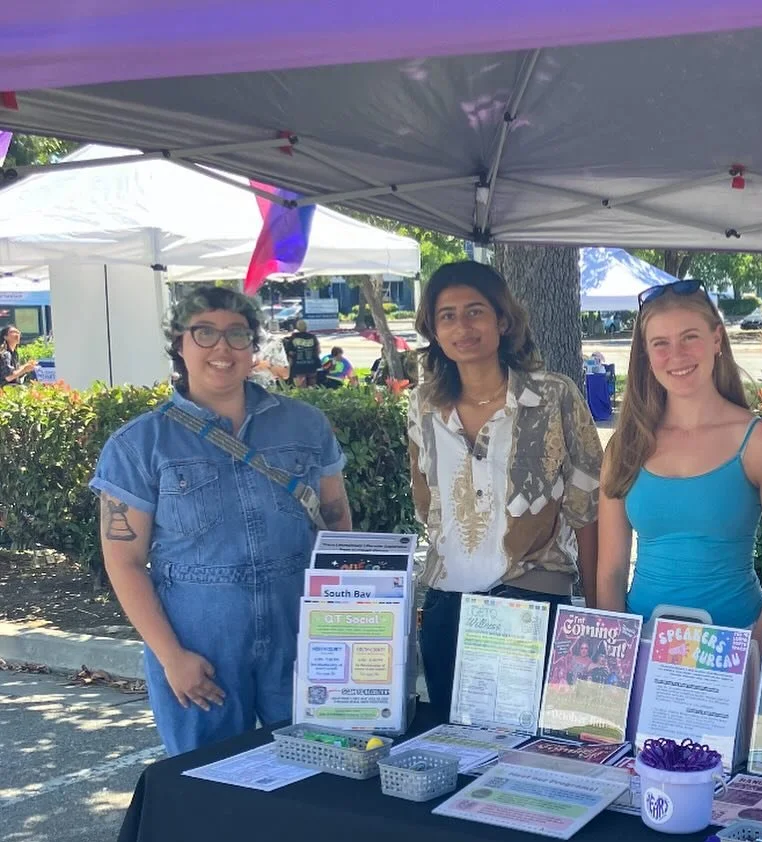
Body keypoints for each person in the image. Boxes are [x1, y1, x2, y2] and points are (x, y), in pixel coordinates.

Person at [90, 286, 353, 756]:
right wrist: (172, 657)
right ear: (179, 342)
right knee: (209, 786)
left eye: (237, 335)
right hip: (199, 638)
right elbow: (124, 563)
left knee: (317, 771)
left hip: (298, 627)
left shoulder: (306, 425)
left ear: (254, 345)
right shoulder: (138, 445)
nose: (222, 349)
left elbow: (337, 526)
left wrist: (346, 625)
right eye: (204, 333)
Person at [407, 260, 603, 721]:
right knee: (455, 746)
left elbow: (589, 507)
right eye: (447, 315)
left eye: (475, 311)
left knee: (528, 748)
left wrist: (597, 612)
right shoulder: (422, 406)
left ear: (503, 319)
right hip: (445, 603)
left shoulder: (553, 396)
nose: (462, 326)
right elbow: (426, 503)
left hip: (530, 596)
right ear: (433, 329)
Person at [596, 279, 762, 641]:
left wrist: (755, 649)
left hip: (735, 644)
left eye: (689, 337)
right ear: (645, 353)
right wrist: (616, 654)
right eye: (660, 343)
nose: (676, 354)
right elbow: (610, 570)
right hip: (643, 645)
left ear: (717, 339)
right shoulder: (625, 447)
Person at [284, 317, 321, 386]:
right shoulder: (312, 337)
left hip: (298, 365)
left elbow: (290, 352)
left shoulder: (294, 337)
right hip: (312, 365)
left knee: (301, 386)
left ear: (297, 327)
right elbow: (318, 351)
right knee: (312, 385)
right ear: (306, 327)